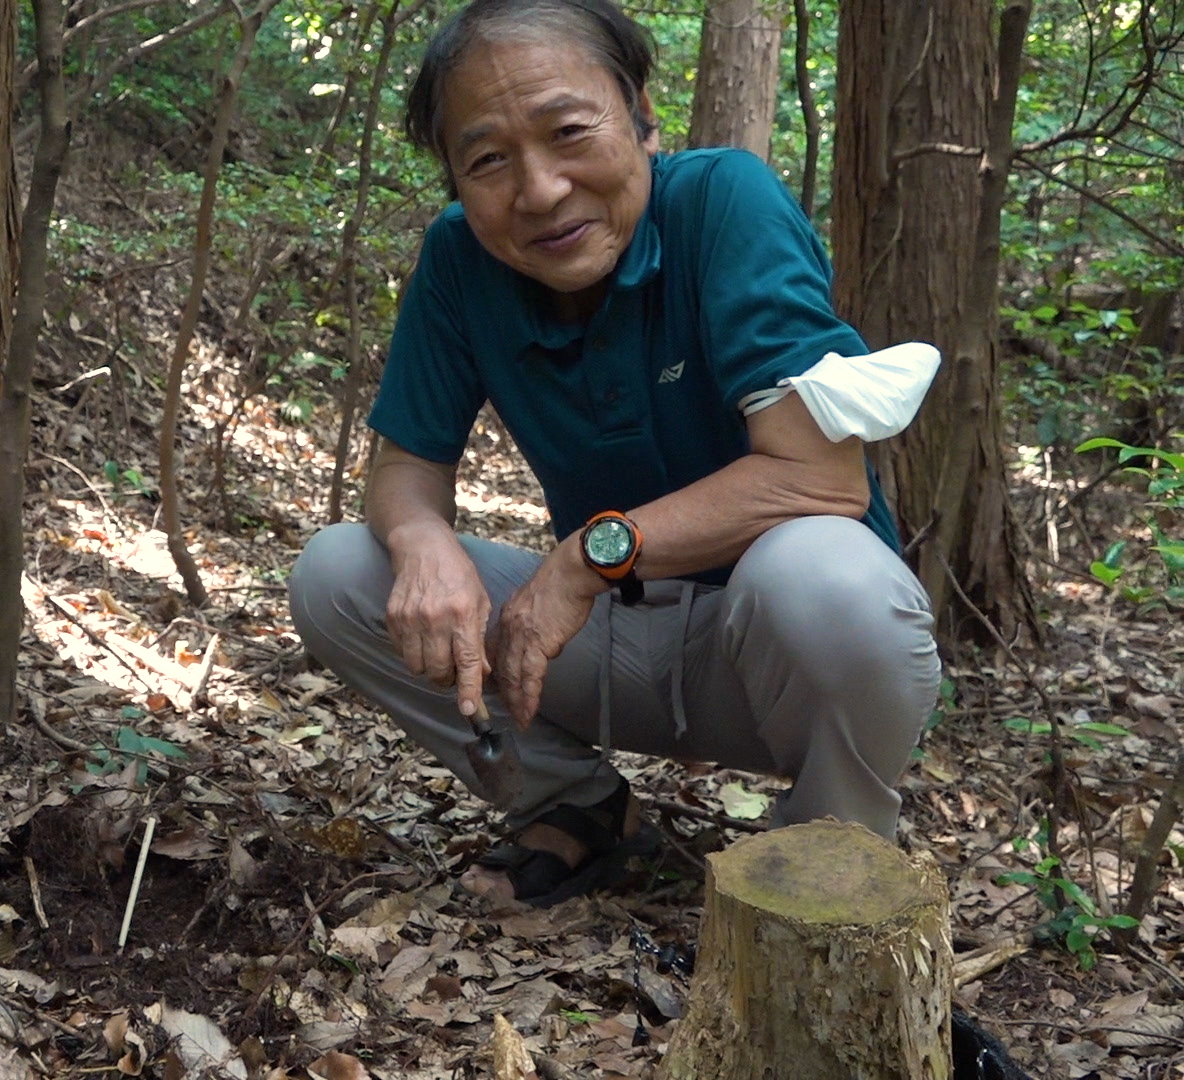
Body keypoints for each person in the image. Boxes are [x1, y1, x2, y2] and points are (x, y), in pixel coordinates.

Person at [287, 0, 943, 908]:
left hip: (782, 658)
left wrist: (582, 563)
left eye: (568, 131)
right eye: (487, 160)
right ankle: (577, 806)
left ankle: (825, 863)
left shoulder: (722, 201)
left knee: (825, 576)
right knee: (340, 570)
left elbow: (817, 476)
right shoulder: (458, 262)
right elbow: (405, 463)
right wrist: (421, 540)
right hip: (615, 647)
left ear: (639, 112)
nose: (542, 189)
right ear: (454, 180)